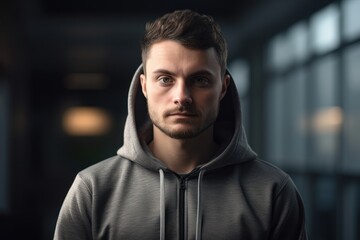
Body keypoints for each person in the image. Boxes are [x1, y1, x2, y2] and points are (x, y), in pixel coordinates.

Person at [54, 9, 308, 240]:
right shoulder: (93, 190)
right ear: (144, 86)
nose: (182, 97)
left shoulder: (272, 192)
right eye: (165, 79)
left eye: (199, 80)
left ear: (223, 87)